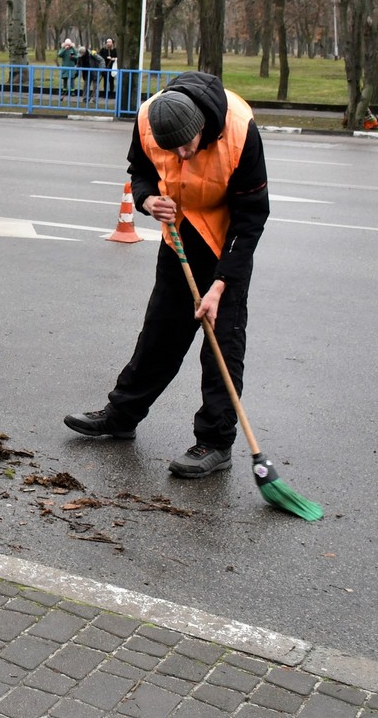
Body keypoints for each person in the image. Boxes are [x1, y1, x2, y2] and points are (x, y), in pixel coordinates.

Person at [63, 71, 269, 478]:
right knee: (160, 333)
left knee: (220, 346)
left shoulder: (240, 130)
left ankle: (215, 441)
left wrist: (220, 286)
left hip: (227, 243)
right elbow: (139, 171)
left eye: (188, 147)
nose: (182, 157)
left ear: (202, 129)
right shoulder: (147, 119)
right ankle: (122, 416)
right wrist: (148, 200)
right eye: (171, 149)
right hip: (179, 238)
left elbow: (252, 218)